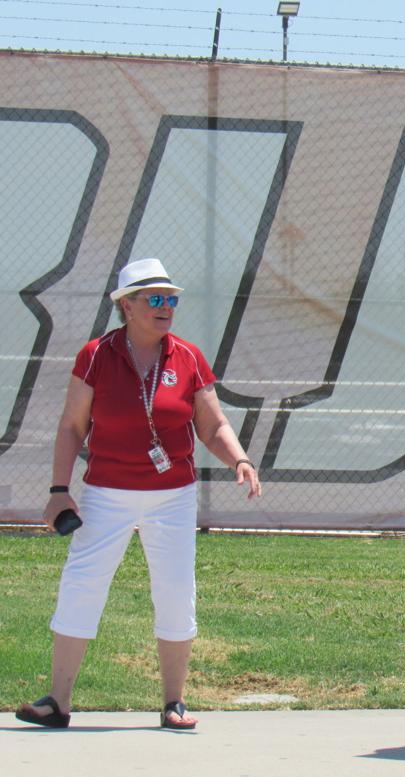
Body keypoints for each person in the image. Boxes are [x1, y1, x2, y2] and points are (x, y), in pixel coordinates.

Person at [15, 257, 261, 731]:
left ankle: (174, 702)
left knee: (175, 590)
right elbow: (72, 427)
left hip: (173, 496)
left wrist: (241, 460)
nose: (166, 306)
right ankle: (58, 701)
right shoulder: (96, 355)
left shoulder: (188, 357)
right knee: (82, 584)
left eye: (171, 299)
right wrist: (59, 491)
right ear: (127, 306)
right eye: (155, 298)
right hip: (106, 493)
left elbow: (213, 426)